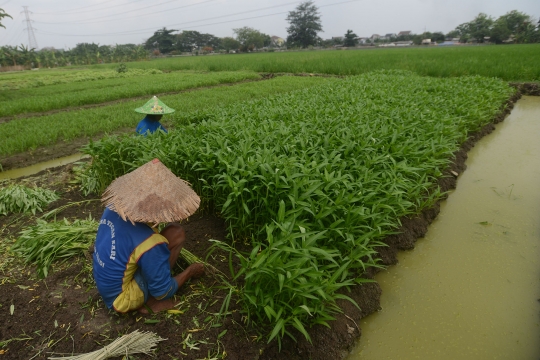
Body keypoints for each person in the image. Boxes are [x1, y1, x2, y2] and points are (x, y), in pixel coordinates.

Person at [92, 158, 204, 313]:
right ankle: (151, 302)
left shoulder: (114, 207)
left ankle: (150, 282)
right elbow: (164, 290)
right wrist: (190, 272)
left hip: (104, 281)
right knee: (161, 289)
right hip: (120, 299)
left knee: (175, 232)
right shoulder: (149, 242)